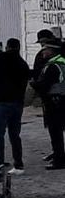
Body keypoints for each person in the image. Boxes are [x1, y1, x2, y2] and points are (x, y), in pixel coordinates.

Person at [0, 38, 31, 174]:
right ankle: (18, 164)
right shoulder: (22, 63)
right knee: (15, 135)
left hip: (1, 102)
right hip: (17, 103)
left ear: (7, 47)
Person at [34, 42, 65, 170]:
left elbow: (45, 85)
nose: (43, 52)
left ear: (52, 51)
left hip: (54, 101)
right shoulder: (62, 62)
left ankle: (59, 160)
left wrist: (34, 85)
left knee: (55, 132)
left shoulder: (52, 66)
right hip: (62, 100)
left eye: (45, 50)